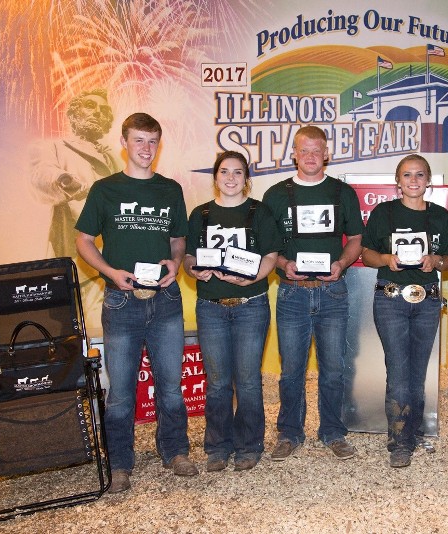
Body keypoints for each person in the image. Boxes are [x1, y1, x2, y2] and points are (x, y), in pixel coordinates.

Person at [75, 113, 196, 493]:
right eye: (139, 140)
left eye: (152, 141)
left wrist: (175, 262)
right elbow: (83, 240)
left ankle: (175, 451)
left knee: (171, 386)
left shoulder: (170, 190)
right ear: (124, 143)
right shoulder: (105, 189)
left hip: (166, 300)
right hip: (121, 301)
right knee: (121, 392)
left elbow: (178, 239)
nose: (146, 148)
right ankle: (120, 464)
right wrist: (110, 272)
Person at [262, 125, 364, 461]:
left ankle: (333, 431)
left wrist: (342, 264)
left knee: (333, 368)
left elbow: (356, 240)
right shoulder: (275, 195)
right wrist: (283, 264)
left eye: (316, 150)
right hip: (292, 293)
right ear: (293, 154)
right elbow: (267, 247)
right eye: (303, 150)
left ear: (326, 154)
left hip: (332, 291)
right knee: (291, 370)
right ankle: (289, 433)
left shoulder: (343, 193)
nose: (310, 156)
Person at [183, 151, 282, 472]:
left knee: (249, 381)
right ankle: (217, 447)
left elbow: (270, 256)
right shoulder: (200, 214)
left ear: (246, 179)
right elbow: (188, 257)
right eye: (224, 171)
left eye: (238, 172)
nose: (230, 178)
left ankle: (249, 446)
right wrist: (193, 270)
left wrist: (252, 277)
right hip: (210, 308)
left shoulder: (260, 212)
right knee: (217, 382)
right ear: (215, 177)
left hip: (251, 306)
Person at [361, 154, 448, 468]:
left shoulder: (440, 215)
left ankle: (413, 433)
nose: (413, 180)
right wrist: (386, 259)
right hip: (390, 299)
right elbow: (366, 254)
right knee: (399, 371)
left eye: (419, 175)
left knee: (417, 372)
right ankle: (399, 442)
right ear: (397, 182)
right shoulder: (383, 213)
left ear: (428, 181)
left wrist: (436, 261)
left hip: (427, 301)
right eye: (407, 175)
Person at [31, 89, 120, 258]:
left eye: (103, 110)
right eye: (90, 106)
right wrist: (64, 180)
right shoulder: (56, 146)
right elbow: (41, 175)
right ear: (74, 114)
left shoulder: (114, 156)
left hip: (113, 242)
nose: (97, 112)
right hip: (76, 240)